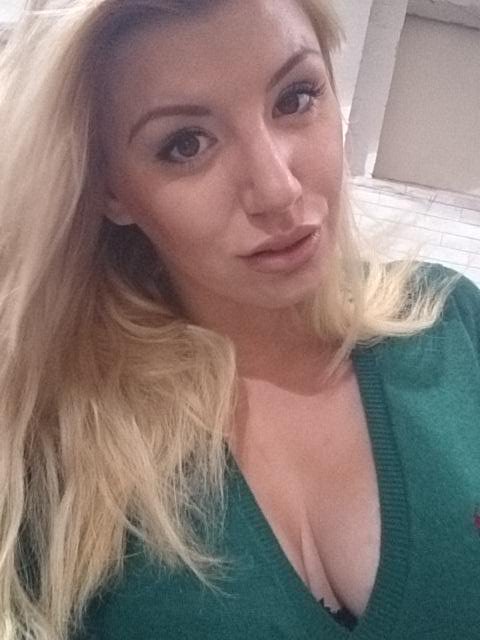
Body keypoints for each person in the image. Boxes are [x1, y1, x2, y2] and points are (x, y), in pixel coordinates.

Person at [0, 0, 479, 638]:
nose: (278, 189)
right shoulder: (53, 445)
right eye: (185, 144)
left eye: (296, 98)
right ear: (110, 189)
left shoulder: (453, 328)